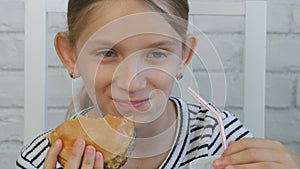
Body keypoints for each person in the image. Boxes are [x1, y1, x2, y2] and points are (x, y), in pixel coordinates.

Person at [16, 0, 300, 169]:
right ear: (71, 56)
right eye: (108, 53)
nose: (132, 82)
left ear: (183, 57)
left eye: (157, 53)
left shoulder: (217, 135)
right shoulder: (43, 158)